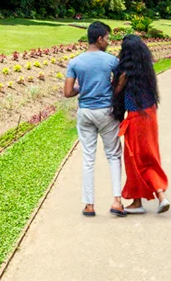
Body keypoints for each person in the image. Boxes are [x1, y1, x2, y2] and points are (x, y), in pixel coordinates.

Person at [63, 21, 126, 218]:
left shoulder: (75, 62)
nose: (108, 42)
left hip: (85, 113)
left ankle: (89, 205)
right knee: (114, 155)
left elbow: (67, 92)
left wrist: (85, 87)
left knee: (88, 158)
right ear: (99, 39)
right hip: (106, 112)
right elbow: (121, 78)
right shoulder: (111, 61)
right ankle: (117, 201)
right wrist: (113, 89)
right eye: (107, 38)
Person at [112, 35, 170, 215]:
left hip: (136, 119)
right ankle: (159, 197)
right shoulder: (147, 67)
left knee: (134, 160)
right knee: (149, 156)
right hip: (151, 115)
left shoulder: (125, 73)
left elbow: (117, 92)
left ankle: (140, 202)